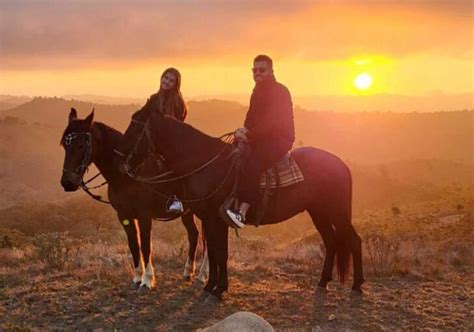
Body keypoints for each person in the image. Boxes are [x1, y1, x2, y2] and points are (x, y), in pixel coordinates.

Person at [226, 55, 295, 228]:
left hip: (280, 138)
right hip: (260, 136)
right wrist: (243, 131)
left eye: (262, 70)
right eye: (254, 70)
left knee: (254, 164)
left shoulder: (280, 91)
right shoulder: (256, 91)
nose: (258, 73)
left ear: (271, 71)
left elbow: (272, 122)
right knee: (233, 154)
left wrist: (249, 136)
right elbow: (251, 118)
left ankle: (242, 212)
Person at [145, 67, 188, 213]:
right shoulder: (154, 98)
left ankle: (176, 198)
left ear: (176, 84)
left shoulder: (177, 102)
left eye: (171, 80)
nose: (167, 82)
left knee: (171, 165)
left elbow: (176, 127)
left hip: (171, 142)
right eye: (165, 78)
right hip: (152, 141)